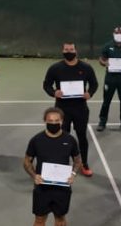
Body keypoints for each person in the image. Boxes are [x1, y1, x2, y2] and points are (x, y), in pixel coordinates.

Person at [23, 107, 84, 226]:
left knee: (60, 218)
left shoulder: (70, 140)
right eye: (50, 121)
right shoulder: (36, 140)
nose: (54, 123)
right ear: (45, 121)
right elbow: (27, 161)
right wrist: (34, 175)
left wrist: (73, 174)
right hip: (42, 188)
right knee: (39, 219)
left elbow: (78, 160)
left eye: (57, 121)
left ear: (62, 122)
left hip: (62, 188)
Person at [42, 42, 98, 177]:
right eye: (66, 49)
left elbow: (94, 84)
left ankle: (84, 164)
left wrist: (89, 93)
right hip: (62, 110)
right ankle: (63, 164)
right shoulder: (55, 68)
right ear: (63, 51)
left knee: (82, 137)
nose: (69, 52)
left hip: (80, 109)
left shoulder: (86, 67)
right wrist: (54, 92)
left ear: (76, 51)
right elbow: (46, 85)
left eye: (71, 49)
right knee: (62, 137)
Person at [97, 25, 121, 132]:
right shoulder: (107, 46)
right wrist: (104, 63)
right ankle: (102, 122)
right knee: (106, 100)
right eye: (117, 33)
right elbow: (101, 59)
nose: (119, 35)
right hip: (110, 77)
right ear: (113, 34)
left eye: (120, 33)